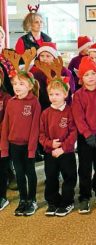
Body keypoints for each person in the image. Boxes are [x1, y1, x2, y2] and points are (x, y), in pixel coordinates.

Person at [1, 48, 41, 216]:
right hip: (13, 145)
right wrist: (4, 147)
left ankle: (32, 200)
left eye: (21, 84)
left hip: (28, 147)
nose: (17, 87)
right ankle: (23, 199)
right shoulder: (11, 102)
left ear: (30, 86)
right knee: (19, 174)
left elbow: (35, 129)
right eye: (15, 84)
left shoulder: (34, 103)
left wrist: (32, 149)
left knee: (30, 173)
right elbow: (5, 126)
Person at [72, 56, 96, 214]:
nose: (90, 77)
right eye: (87, 74)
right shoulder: (78, 95)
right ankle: (84, 196)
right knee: (85, 168)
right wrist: (87, 135)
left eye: (93, 74)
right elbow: (78, 117)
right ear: (82, 77)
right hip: (85, 139)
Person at [39, 76, 77, 217]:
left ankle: (67, 202)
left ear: (65, 95)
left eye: (57, 94)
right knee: (51, 178)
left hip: (66, 152)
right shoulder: (45, 113)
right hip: (50, 153)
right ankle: (53, 202)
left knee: (69, 177)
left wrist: (63, 148)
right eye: (51, 94)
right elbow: (41, 134)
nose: (54, 97)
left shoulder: (70, 111)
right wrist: (50, 144)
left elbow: (73, 132)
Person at [30, 42, 75, 110]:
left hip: (62, 106)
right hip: (44, 108)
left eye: (48, 56)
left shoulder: (64, 71)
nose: (44, 58)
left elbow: (70, 90)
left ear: (54, 57)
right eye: (42, 56)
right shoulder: (37, 73)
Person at [0, 61, 11, 211]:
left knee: (1, 169)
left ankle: (2, 196)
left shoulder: (6, 97)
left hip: (2, 138)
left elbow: (6, 120)